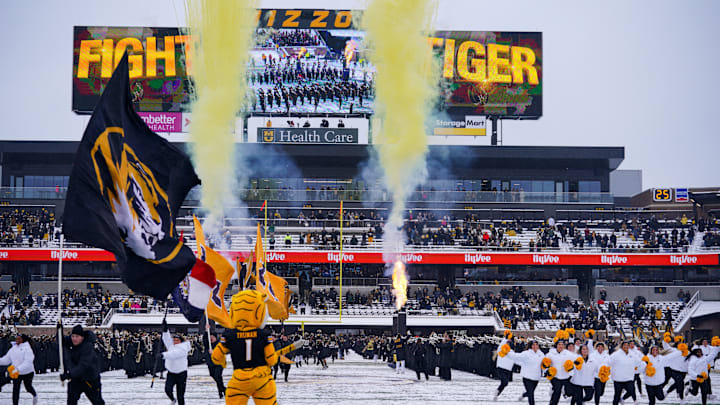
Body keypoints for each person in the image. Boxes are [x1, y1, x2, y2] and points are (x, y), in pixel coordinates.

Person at [60, 324, 105, 405]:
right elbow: (60, 341)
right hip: (76, 379)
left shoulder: (87, 347)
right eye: (73, 336)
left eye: (77, 336)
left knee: (97, 402)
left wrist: (69, 374)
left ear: (82, 337)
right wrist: (59, 329)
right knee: (71, 401)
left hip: (90, 379)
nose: (74, 339)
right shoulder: (71, 343)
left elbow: (83, 365)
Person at [0, 334, 38, 405]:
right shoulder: (13, 349)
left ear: (23, 340)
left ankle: (35, 395)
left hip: (27, 372)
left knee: (28, 387)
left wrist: (18, 369)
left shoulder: (27, 348)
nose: (17, 340)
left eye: (19, 339)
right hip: (16, 373)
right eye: (16, 339)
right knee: (15, 389)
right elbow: (6, 359)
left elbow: (28, 362)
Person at [505, 340, 544, 405]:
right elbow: (516, 356)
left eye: (536, 345)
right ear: (530, 346)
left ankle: (524, 395)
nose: (535, 346)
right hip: (527, 377)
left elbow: (544, 364)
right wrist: (507, 353)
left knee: (530, 392)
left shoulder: (541, 354)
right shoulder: (526, 353)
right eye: (533, 345)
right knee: (531, 394)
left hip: (536, 377)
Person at [162, 320, 190, 405]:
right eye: (174, 340)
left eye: (177, 340)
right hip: (171, 372)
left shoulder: (183, 348)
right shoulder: (171, 346)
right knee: (168, 389)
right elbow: (166, 339)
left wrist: (163, 355)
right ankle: (172, 399)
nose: (175, 342)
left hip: (181, 373)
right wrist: (165, 330)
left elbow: (174, 354)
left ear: (181, 341)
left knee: (180, 394)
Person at [608, 341, 645, 405]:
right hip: (618, 379)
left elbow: (640, 363)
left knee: (631, 391)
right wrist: (606, 369)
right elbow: (608, 362)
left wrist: (640, 370)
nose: (626, 346)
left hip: (628, 378)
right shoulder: (616, 354)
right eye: (624, 345)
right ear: (622, 346)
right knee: (617, 395)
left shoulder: (633, 355)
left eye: (627, 345)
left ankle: (623, 399)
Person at [493, 331, 514, 400]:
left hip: (507, 369)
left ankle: (497, 392)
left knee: (506, 383)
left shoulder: (512, 352)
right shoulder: (501, 350)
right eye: (506, 343)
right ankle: (496, 392)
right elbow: (501, 344)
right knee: (504, 382)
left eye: (509, 343)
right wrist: (505, 338)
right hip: (501, 368)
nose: (507, 344)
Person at [205, 333, 226, 399]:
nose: (211, 338)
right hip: (210, 363)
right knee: (215, 376)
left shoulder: (219, 344)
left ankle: (221, 391)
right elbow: (204, 339)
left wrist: (214, 352)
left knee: (217, 376)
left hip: (219, 363)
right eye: (210, 337)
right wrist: (206, 331)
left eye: (213, 337)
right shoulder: (208, 345)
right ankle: (223, 389)